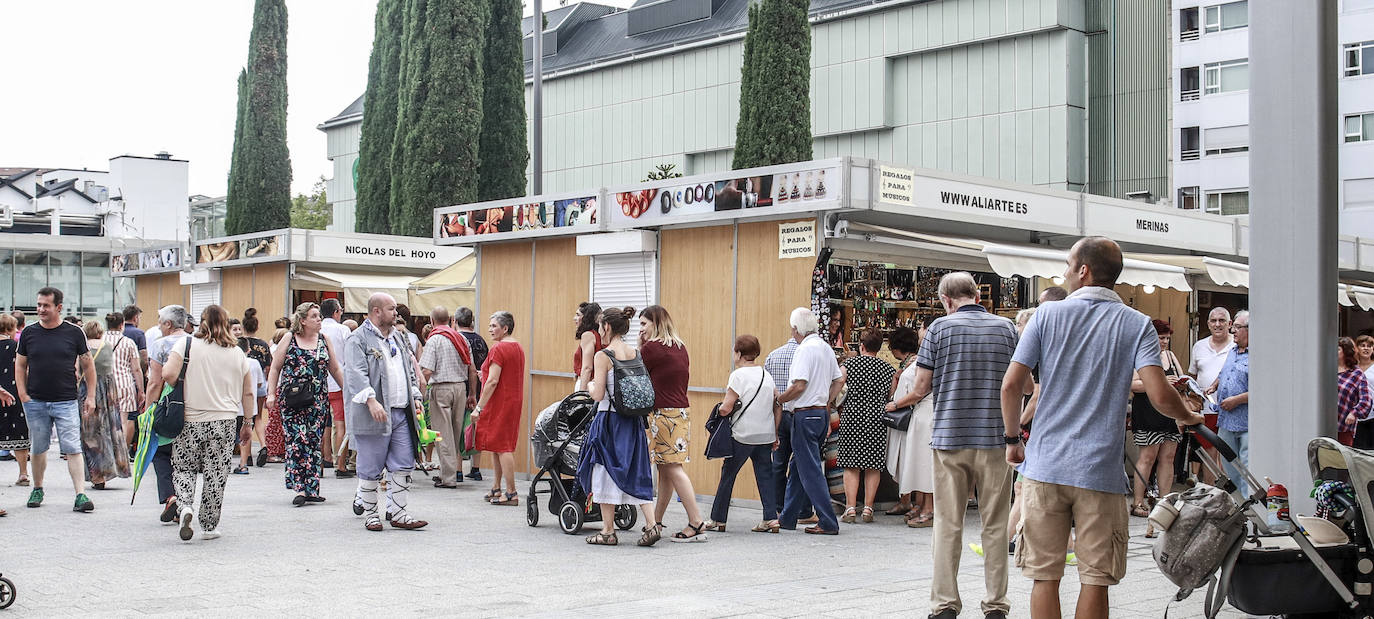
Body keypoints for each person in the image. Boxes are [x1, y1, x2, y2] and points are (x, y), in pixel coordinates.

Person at [1001, 236, 1203, 619]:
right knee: (1096, 578)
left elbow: (1011, 386)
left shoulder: (1045, 315)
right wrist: (1188, 415)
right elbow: (1160, 394)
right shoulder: (1136, 323)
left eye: (1067, 265)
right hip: (1100, 471)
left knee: (1044, 576)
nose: (1064, 272)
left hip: (1045, 466)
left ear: (1083, 270)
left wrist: (1013, 440)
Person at [908, 272, 1020, 619]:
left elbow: (922, 384)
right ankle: (996, 604)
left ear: (946, 299)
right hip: (994, 439)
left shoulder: (939, 329)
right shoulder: (1006, 329)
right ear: (976, 294)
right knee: (996, 524)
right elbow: (1023, 383)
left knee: (947, 522)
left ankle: (945, 604)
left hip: (950, 438)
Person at [160, 305, 253, 541]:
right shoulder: (237, 353)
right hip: (224, 421)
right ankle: (209, 525)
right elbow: (248, 393)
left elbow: (168, 375)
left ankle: (185, 506)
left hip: (190, 418)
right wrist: (248, 422)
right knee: (216, 473)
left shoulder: (187, 345)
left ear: (201, 322)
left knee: (183, 468)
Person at [576, 306, 662, 546]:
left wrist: (590, 386)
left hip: (610, 420)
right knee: (636, 468)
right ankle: (652, 523)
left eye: (600, 326)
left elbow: (599, 393)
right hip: (633, 421)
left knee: (603, 469)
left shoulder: (603, 355)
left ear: (607, 327)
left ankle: (608, 530)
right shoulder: (635, 351)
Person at [344, 293, 428, 531]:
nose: (396, 314)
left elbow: (409, 371)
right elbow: (355, 374)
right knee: (370, 465)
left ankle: (399, 513)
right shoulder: (357, 339)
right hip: (374, 413)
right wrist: (371, 401)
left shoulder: (399, 337)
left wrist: (415, 397)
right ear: (376, 311)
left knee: (403, 463)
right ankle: (371, 514)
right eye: (392, 309)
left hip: (401, 411)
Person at [16, 287, 97, 512]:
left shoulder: (74, 332)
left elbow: (88, 364)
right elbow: (20, 364)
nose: (40, 309)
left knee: (72, 447)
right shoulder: (29, 333)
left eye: (46, 305)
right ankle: (38, 488)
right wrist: (22, 393)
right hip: (35, 401)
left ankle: (80, 494)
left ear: (58, 307)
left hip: (66, 400)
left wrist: (90, 396)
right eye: (39, 305)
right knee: (39, 447)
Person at [635, 305, 708, 541]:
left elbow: (636, 373)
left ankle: (696, 522)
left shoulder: (652, 348)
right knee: (665, 469)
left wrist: (639, 346)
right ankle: (655, 520)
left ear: (655, 323)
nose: (641, 329)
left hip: (662, 414)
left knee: (673, 468)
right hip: (680, 413)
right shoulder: (680, 347)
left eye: (644, 324)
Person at [266, 302, 344, 506]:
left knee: (313, 441)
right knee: (296, 441)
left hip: (317, 400)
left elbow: (334, 369)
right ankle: (299, 487)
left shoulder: (324, 340)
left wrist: (349, 390)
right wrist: (271, 394)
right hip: (292, 400)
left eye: (318, 316)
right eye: (314, 316)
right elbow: (275, 368)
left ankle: (312, 488)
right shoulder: (290, 338)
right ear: (302, 320)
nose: (319, 319)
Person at [776, 307, 844, 535]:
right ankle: (788, 517)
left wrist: (780, 399)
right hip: (820, 413)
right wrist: (827, 400)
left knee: (810, 469)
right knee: (799, 466)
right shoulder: (825, 348)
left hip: (804, 413)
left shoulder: (804, 350)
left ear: (796, 329)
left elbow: (799, 385)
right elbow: (838, 380)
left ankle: (827, 521)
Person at [705, 335, 780, 533]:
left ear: (738, 353)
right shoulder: (766, 375)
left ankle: (718, 519)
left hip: (743, 435)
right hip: (765, 434)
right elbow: (777, 404)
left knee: (728, 473)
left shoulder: (738, 375)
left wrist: (717, 411)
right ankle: (771, 518)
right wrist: (775, 433)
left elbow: (726, 407)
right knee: (765, 474)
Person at [1128, 320, 1186, 537]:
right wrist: (1161, 382)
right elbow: (1132, 384)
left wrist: (1180, 383)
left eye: (1166, 338)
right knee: (1147, 457)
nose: (1164, 342)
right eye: (1160, 338)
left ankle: (1165, 499)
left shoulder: (1170, 356)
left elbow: (1182, 379)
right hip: (1148, 412)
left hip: (1169, 413)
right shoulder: (1139, 355)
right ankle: (1138, 501)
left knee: (1168, 458)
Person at [837, 328, 895, 524]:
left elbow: (838, 388)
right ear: (879, 348)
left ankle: (851, 507)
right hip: (876, 419)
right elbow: (890, 397)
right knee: (873, 466)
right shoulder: (888, 370)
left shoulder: (849, 365)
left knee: (851, 464)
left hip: (852, 417)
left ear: (861, 345)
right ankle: (868, 508)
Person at [471, 311, 525, 505]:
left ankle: (511, 492)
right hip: (512, 400)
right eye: (490, 325)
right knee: (497, 445)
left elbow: (493, 381)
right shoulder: (517, 347)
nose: (490, 329)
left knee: (503, 447)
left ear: (505, 328)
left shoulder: (498, 348)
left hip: (500, 402)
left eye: (494, 326)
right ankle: (496, 487)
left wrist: (479, 407)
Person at [420, 306, 477, 488]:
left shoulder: (434, 339)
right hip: (460, 388)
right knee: (454, 432)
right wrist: (472, 393)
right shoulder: (460, 338)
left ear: (432, 320)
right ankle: (451, 472)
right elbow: (472, 369)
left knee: (442, 435)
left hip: (441, 388)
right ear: (451, 320)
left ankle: (448, 477)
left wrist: (419, 393)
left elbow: (427, 370)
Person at [884, 326, 935, 528]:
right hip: (922, 416)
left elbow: (919, 391)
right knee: (921, 462)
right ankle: (922, 506)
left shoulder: (922, 362)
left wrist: (896, 404)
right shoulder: (919, 361)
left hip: (924, 416)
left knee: (924, 463)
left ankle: (927, 508)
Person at [764, 329, 816, 525]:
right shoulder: (808, 355)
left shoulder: (773, 355)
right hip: (800, 413)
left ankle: (778, 508)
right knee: (802, 464)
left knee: (778, 463)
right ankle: (803, 511)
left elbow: (768, 387)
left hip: (779, 413)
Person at [147, 305, 190, 522]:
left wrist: (148, 411)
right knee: (184, 457)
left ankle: (170, 497)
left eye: (159, 321)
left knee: (161, 453)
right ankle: (185, 502)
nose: (158, 325)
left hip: (167, 406)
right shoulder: (195, 342)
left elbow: (155, 382)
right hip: (193, 405)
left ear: (168, 324)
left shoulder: (161, 345)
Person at [78, 318, 133, 489]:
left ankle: (97, 475)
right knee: (110, 430)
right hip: (108, 391)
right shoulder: (107, 345)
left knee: (90, 434)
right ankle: (112, 468)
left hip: (87, 389)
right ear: (100, 332)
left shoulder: (82, 347)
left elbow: (77, 371)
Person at [1188, 307, 1234, 481]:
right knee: (1209, 454)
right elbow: (1192, 376)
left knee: (1229, 454)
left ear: (1229, 324)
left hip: (1231, 409)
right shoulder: (1199, 346)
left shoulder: (1236, 346)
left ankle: (1230, 497)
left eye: (1222, 320)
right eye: (1213, 321)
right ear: (1208, 324)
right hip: (1206, 409)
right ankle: (1210, 493)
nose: (1217, 324)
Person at [1210, 310, 1250, 495]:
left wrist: (1237, 400)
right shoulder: (1233, 351)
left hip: (1246, 422)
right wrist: (1214, 385)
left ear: (1250, 330)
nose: (1233, 331)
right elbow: (1225, 373)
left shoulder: (1258, 355)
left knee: (1247, 469)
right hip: (1226, 420)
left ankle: (1251, 512)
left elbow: (1265, 390)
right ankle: (1238, 505)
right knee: (1229, 464)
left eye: (1238, 327)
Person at [103, 313, 146, 462]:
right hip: (125, 384)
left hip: (105, 383)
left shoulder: (100, 340)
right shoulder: (128, 342)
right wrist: (141, 390)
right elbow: (136, 369)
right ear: (121, 325)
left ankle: (107, 452)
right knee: (124, 420)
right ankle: (121, 453)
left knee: (106, 420)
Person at [229, 319, 268, 474]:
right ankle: (244, 464)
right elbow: (260, 384)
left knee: (230, 436)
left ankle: (225, 463)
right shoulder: (253, 363)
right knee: (246, 435)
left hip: (231, 405)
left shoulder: (230, 361)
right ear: (248, 350)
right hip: (247, 406)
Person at [320, 299, 353, 477]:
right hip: (338, 383)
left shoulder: (316, 330)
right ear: (335, 312)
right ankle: (340, 464)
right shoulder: (343, 330)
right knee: (340, 424)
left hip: (318, 384)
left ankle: (321, 462)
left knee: (320, 425)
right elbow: (350, 356)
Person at [456, 307, 488, 482]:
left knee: (458, 428)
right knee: (476, 428)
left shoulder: (457, 339)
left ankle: (458, 469)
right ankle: (476, 469)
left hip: (462, 387)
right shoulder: (481, 341)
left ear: (456, 320)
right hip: (481, 389)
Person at [238, 309, 272, 468]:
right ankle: (264, 445)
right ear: (257, 327)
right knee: (258, 417)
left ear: (243, 327)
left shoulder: (239, 343)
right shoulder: (263, 345)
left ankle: (248, 454)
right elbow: (268, 367)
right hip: (259, 383)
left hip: (244, 386)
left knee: (247, 419)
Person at [0, 314, 31, 487]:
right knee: (19, 433)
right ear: (11, 329)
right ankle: (23, 473)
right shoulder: (16, 347)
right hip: (15, 393)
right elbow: (26, 370)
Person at [1338, 337, 1372, 447]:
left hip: (1344, 429)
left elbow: (1366, 401)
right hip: (1322, 426)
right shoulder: (1326, 369)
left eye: (1338, 349)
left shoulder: (1356, 374)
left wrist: (1354, 412)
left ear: (1346, 352)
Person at [573, 302, 603, 390]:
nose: (574, 318)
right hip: (597, 384)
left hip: (587, 384)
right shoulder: (601, 335)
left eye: (578, 315)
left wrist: (581, 393)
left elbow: (587, 368)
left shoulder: (588, 335)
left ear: (586, 318)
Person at [122, 304, 149, 372]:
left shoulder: (117, 332)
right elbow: (144, 358)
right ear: (135, 318)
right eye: (139, 318)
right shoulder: (139, 333)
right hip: (133, 372)